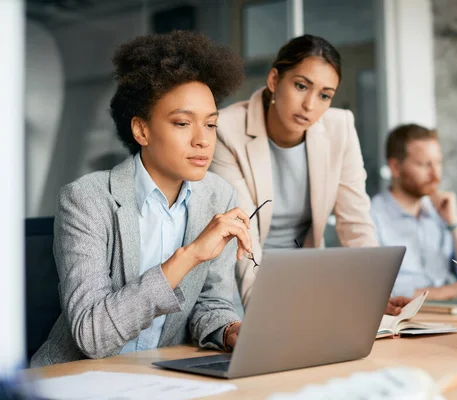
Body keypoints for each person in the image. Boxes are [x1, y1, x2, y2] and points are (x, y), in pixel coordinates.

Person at [31, 31, 252, 367]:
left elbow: (210, 305)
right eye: (182, 123)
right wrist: (190, 256)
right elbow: (92, 334)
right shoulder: (87, 199)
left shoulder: (218, 196)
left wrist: (231, 331)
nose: (202, 140)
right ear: (141, 130)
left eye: (210, 124)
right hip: (76, 378)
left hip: (159, 376)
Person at [210, 35, 378, 307]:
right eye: (301, 86)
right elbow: (243, 235)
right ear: (274, 80)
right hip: (241, 285)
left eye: (324, 95)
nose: (310, 106)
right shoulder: (228, 130)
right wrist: (265, 312)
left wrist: (376, 294)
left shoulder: (340, 127)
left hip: (308, 280)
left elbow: (356, 223)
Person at [371, 124, 457, 305]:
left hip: (452, 313)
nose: (435, 174)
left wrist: (454, 223)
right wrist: (451, 291)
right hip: (407, 318)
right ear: (395, 167)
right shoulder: (370, 217)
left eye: (438, 162)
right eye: (424, 164)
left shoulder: (439, 213)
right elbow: (377, 291)